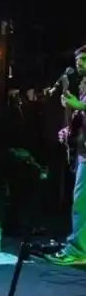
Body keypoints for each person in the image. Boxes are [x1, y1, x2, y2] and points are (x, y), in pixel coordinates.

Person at [50, 45, 86, 265]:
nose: (79, 64)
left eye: (84, 59)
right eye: (78, 60)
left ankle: (78, 250)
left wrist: (79, 105)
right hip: (83, 149)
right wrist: (69, 129)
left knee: (81, 204)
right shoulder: (83, 84)